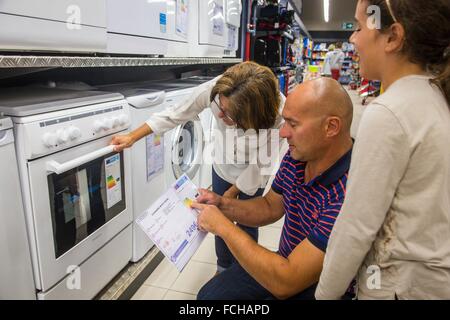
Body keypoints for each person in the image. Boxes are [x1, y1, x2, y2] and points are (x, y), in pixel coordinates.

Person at [315, 0, 450, 300]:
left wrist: (324, 294)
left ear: (393, 37)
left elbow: (356, 228)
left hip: (394, 286)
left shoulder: (389, 112)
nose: (352, 38)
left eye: (360, 27)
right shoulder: (433, 95)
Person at [110, 61, 286, 274]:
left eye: (229, 115)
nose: (220, 116)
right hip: (223, 163)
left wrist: (227, 197)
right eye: (220, 107)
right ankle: (222, 270)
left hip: (254, 171)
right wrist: (132, 136)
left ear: (252, 116)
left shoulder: (278, 115)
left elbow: (260, 165)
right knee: (222, 221)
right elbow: (176, 113)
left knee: (248, 222)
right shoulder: (215, 90)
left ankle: (242, 275)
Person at [191, 77, 354, 300]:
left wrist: (224, 227)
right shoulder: (299, 157)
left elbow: (287, 282)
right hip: (287, 261)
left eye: (293, 124)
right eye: (284, 122)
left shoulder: (349, 193)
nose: (283, 133)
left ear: (331, 127)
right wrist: (221, 204)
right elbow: (270, 207)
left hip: (321, 287)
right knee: (210, 296)